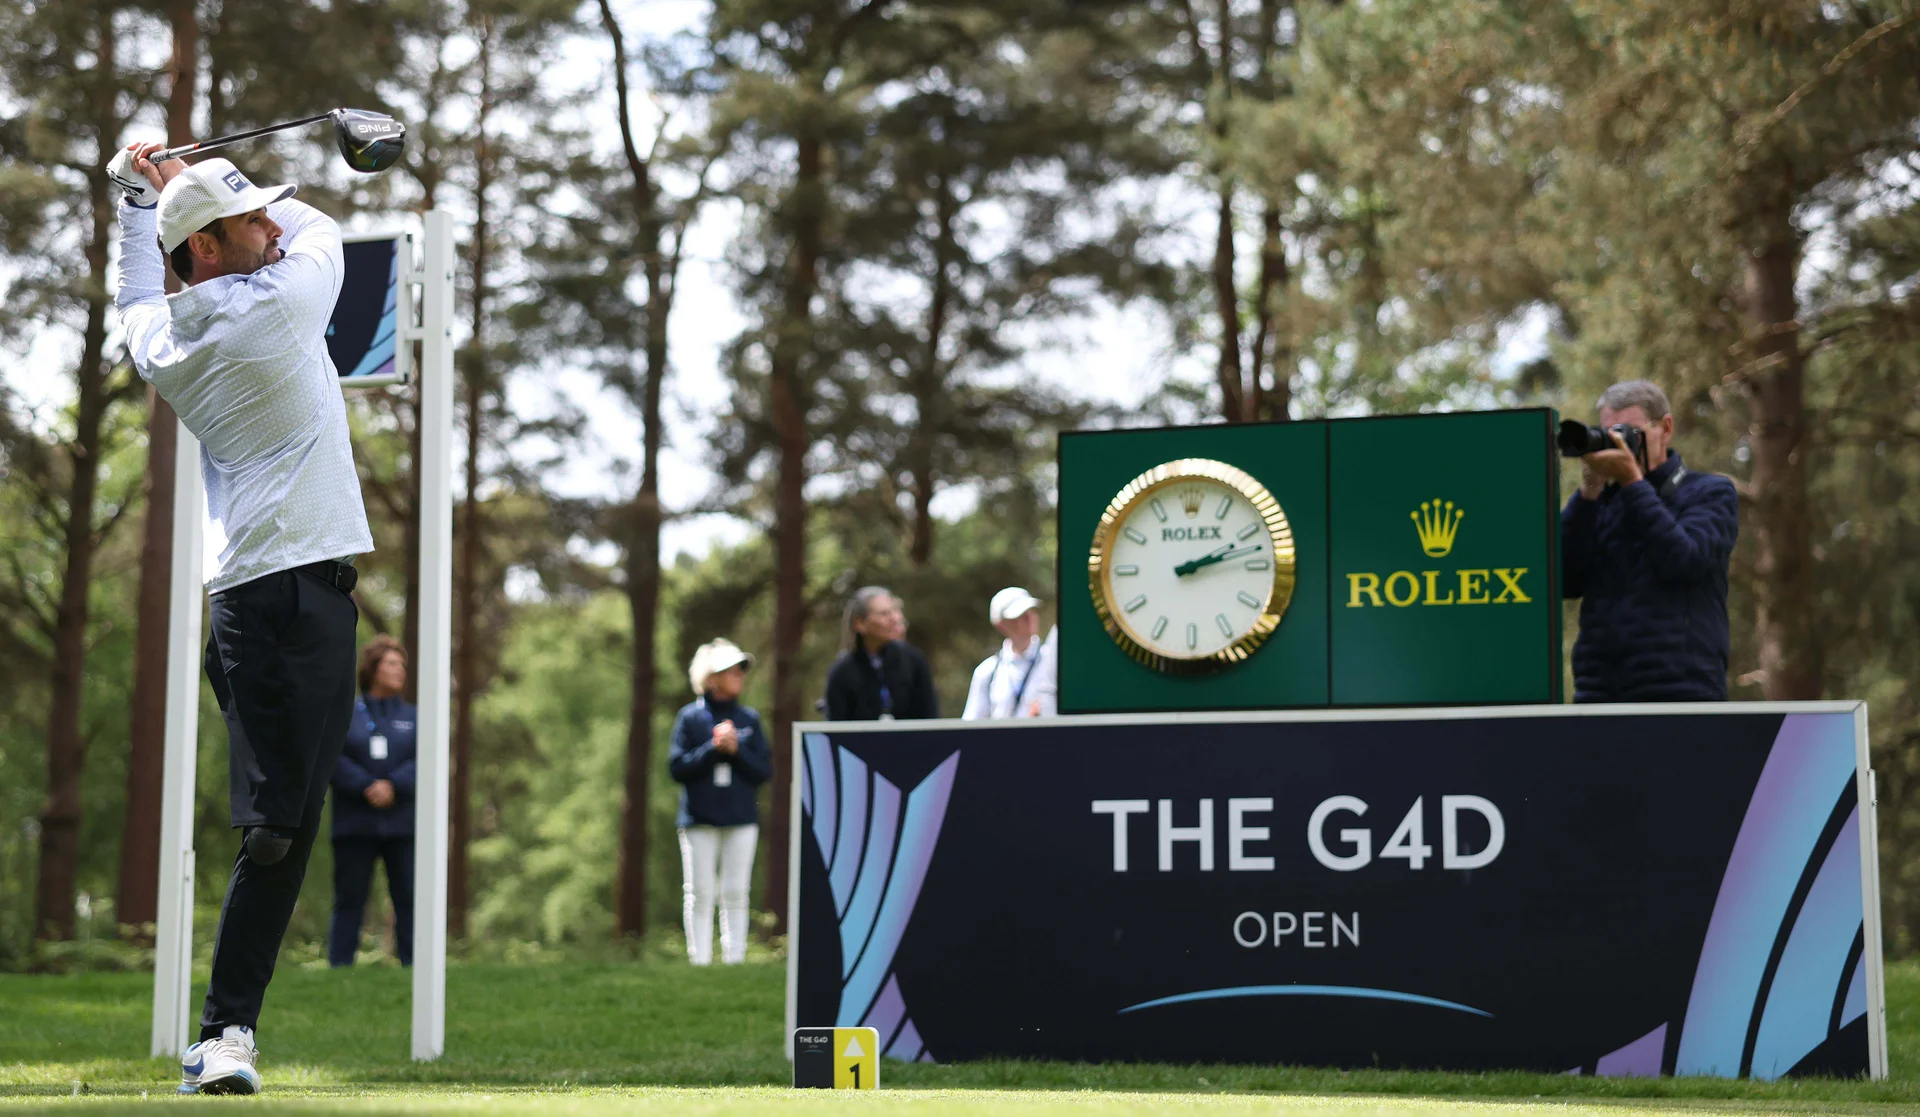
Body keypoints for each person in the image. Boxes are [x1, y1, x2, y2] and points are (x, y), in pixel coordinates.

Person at [108, 143, 370, 1096]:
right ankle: (223, 1036)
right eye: (251, 219)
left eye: (265, 214)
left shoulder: (167, 334)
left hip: (310, 593)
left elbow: (138, 292)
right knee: (271, 831)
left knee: (292, 823)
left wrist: (144, 195)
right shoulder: (283, 303)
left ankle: (227, 1030)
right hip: (268, 601)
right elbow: (323, 226)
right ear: (212, 249)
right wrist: (195, 171)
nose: (273, 225)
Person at [1561, 380, 1739, 702]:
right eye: (1609, 433)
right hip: (1598, 690)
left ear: (1665, 428)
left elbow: (1684, 561)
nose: (1619, 445)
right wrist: (1588, 493)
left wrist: (1632, 481)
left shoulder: (1709, 492)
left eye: (1628, 432)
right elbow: (1563, 580)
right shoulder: (1599, 502)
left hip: (1681, 690)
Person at [670, 639, 771, 965]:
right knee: (699, 892)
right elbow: (678, 768)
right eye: (732, 670)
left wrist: (736, 751)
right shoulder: (690, 719)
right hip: (699, 818)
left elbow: (762, 770)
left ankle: (735, 960)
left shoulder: (749, 720)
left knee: (736, 891)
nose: (740, 675)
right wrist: (712, 749)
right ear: (712, 678)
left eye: (741, 669)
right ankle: (699, 960)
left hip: (740, 817)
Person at [327, 637, 417, 968]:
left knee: (408, 898)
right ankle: (339, 970)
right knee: (350, 899)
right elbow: (332, 757)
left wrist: (394, 785)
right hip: (354, 824)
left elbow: (425, 759)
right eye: (392, 663)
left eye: (402, 665)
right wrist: (367, 786)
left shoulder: (415, 717)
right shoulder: (346, 712)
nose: (400, 670)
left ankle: (413, 966)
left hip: (402, 824)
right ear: (373, 668)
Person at [823, 586, 940, 720]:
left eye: (895, 611)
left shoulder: (913, 661)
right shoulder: (842, 672)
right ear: (860, 624)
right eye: (885, 614)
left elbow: (930, 717)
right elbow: (836, 728)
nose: (895, 618)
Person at [962, 587, 1055, 719]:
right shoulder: (986, 672)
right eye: (1019, 615)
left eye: (1031, 611)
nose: (1029, 618)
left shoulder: (1052, 662)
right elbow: (972, 724)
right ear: (1001, 624)